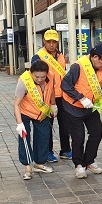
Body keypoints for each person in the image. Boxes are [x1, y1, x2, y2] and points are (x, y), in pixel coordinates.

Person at [61, 43, 102, 179]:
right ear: (95, 57)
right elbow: (65, 84)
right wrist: (81, 98)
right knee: (78, 137)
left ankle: (89, 161)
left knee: (97, 132)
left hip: (91, 107)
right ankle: (79, 165)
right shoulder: (78, 66)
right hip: (73, 107)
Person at [31, 29, 71, 163]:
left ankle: (65, 150)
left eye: (54, 42)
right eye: (49, 42)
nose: (52, 44)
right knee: (47, 125)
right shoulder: (38, 56)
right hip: (46, 96)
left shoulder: (60, 56)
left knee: (65, 124)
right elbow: (34, 78)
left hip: (62, 95)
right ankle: (48, 151)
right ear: (44, 41)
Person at [14, 60, 56, 180]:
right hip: (25, 112)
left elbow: (52, 90)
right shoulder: (23, 81)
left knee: (43, 136)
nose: (40, 79)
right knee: (25, 138)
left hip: (42, 113)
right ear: (31, 73)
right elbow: (16, 104)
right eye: (36, 76)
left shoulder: (51, 76)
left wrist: (53, 105)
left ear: (47, 74)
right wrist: (19, 123)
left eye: (43, 77)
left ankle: (39, 163)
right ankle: (27, 167)